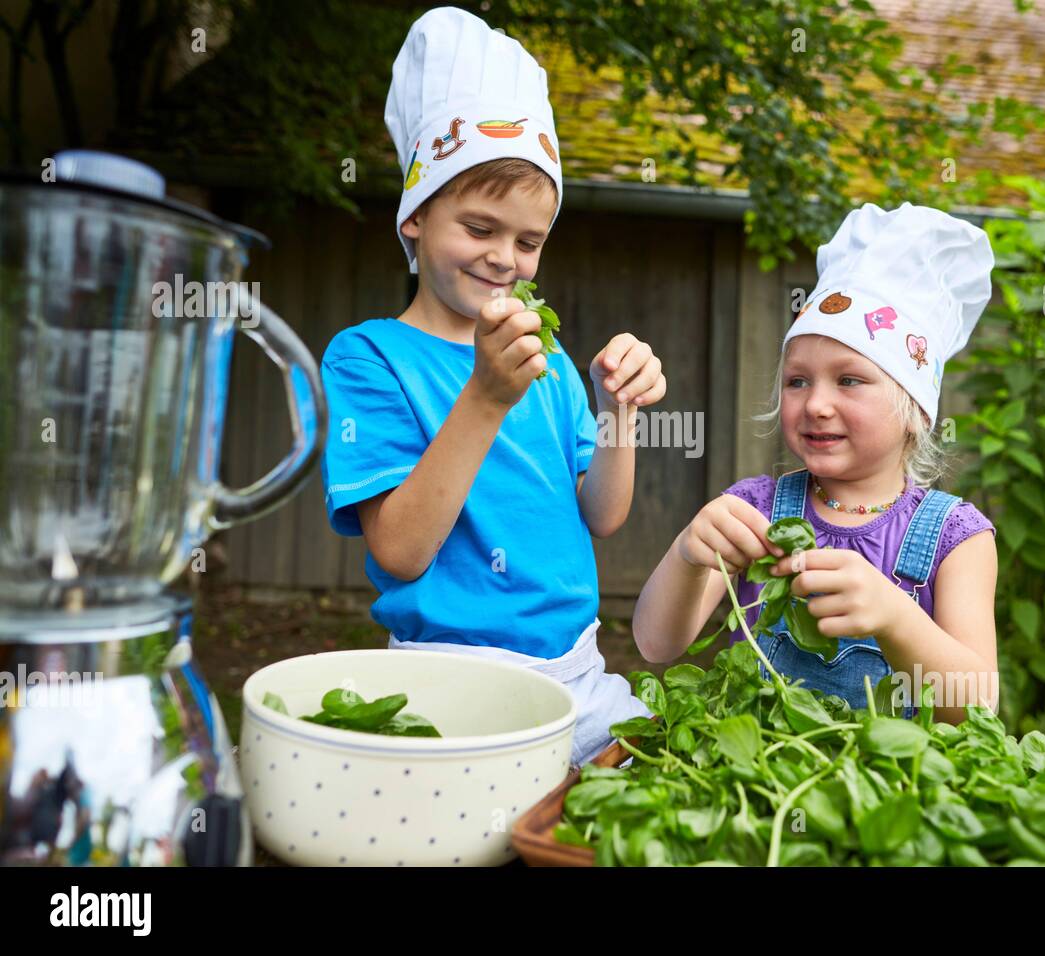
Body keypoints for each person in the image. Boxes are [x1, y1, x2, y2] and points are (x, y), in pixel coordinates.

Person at [320, 8, 664, 765]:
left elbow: (602, 515)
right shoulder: (368, 357)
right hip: (445, 682)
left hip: (578, 672)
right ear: (415, 216)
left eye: (529, 240)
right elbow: (401, 551)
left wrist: (620, 410)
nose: (505, 258)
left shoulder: (548, 360)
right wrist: (483, 397)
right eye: (479, 229)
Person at [634, 203, 1000, 724]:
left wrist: (896, 617)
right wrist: (688, 557)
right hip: (759, 782)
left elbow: (978, 708)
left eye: (849, 380)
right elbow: (656, 645)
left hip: (892, 789)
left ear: (916, 410)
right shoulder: (754, 509)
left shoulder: (956, 537)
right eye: (797, 380)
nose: (816, 403)